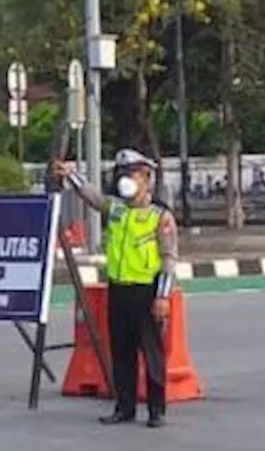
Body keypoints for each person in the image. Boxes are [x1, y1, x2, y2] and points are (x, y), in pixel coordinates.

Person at [49, 148, 180, 428]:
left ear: (146, 177)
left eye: (132, 173)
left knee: (152, 353)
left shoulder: (160, 217)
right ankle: (125, 407)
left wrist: (163, 296)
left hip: (146, 292)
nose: (126, 180)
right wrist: (71, 175)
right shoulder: (117, 210)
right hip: (118, 289)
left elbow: (169, 258)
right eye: (123, 174)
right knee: (121, 353)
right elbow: (93, 197)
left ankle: (157, 410)